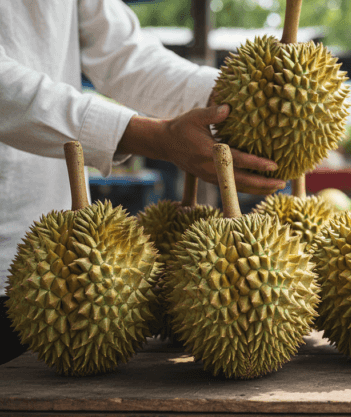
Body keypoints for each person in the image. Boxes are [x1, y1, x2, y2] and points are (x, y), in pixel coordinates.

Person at [0, 0, 284, 364]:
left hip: (52, 262)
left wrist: (239, 98)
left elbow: (121, 51)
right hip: (36, 264)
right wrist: (154, 136)